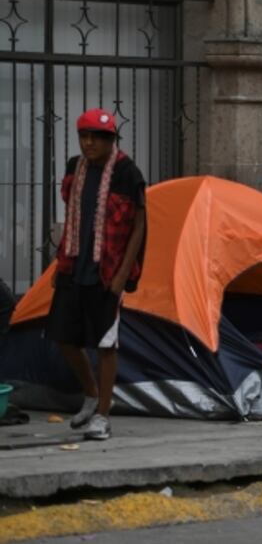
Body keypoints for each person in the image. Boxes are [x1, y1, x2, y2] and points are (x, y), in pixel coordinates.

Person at [46, 108, 147, 440]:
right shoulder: (75, 168)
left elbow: (139, 226)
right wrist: (59, 260)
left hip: (107, 271)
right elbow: (73, 216)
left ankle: (103, 414)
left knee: (106, 344)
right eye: (84, 137)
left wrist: (121, 276)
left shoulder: (127, 173)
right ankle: (90, 393)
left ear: (110, 140)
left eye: (97, 138)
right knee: (62, 336)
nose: (89, 144)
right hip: (74, 265)